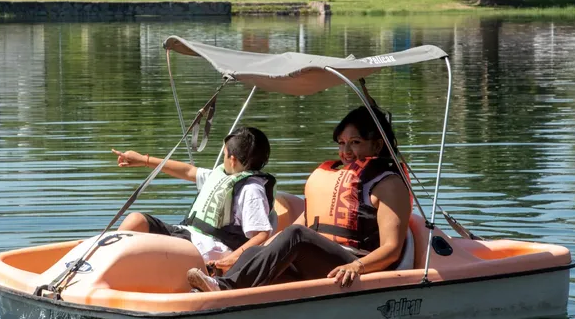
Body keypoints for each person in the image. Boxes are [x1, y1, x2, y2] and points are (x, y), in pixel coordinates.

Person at [187, 106, 412, 292]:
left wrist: (357, 266)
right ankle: (214, 283)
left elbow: (392, 249)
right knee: (260, 249)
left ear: (377, 145)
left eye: (355, 142)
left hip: (356, 266)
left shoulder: (389, 184)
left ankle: (223, 289)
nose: (346, 151)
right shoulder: (337, 177)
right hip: (323, 261)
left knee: (295, 236)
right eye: (342, 143)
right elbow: (301, 224)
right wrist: (253, 251)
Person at [112, 126, 275, 269]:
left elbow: (261, 234)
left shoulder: (252, 190)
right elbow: (188, 171)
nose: (223, 158)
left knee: (151, 250)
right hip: (186, 235)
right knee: (136, 220)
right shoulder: (223, 175)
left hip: (209, 250)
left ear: (232, 160)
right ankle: (104, 265)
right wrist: (143, 160)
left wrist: (230, 260)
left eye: (224, 153)